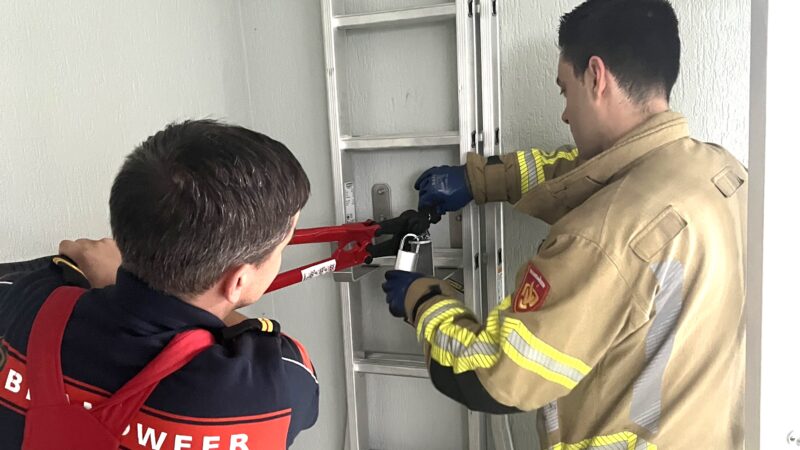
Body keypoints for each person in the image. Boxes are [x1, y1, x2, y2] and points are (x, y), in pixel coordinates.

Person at [382, 0, 747, 448]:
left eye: (564, 90)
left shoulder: (600, 237)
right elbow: (582, 173)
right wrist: (481, 179)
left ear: (595, 77)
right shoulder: (721, 171)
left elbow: (494, 376)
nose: (565, 114)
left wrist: (423, 298)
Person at [0, 120, 319, 449]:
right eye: (282, 248)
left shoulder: (23, 298)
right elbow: (303, 381)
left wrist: (118, 277)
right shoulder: (278, 382)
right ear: (237, 282)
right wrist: (113, 274)